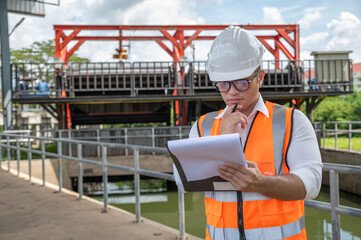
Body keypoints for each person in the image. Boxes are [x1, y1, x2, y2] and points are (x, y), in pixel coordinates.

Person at [173, 26, 322, 240]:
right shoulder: (202, 126)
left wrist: (262, 183)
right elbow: (181, 180)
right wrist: (221, 141)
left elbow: (312, 181)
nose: (232, 91)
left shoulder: (291, 121)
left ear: (260, 77)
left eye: (242, 82)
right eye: (224, 84)